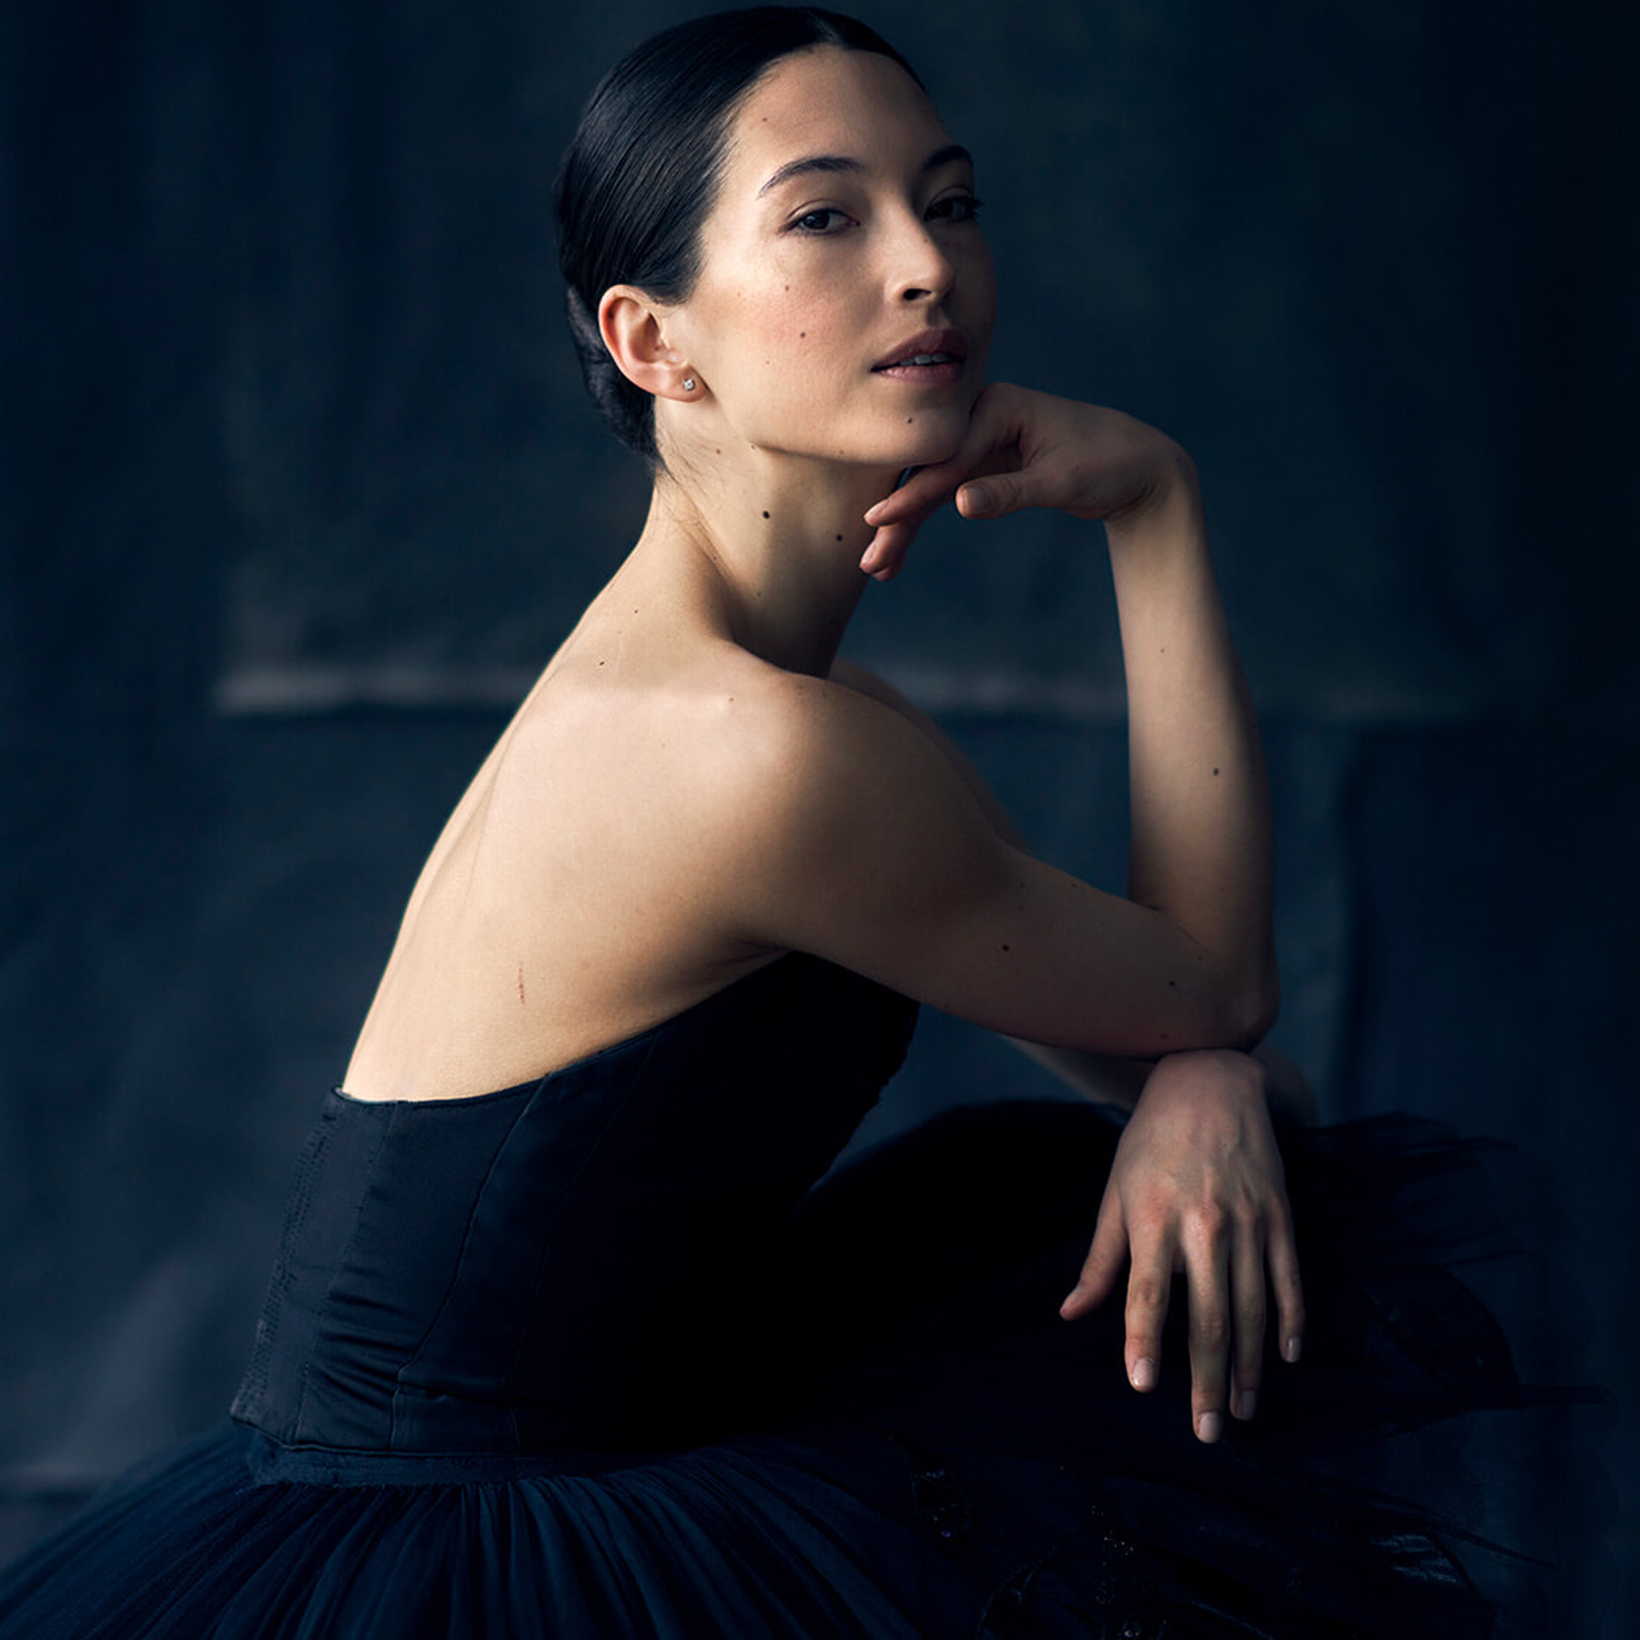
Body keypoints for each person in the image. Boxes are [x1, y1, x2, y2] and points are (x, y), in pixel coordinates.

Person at [0, 9, 1579, 1637]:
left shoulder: (806, 723)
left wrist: (1205, 1080)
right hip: (473, 1546)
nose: (926, 266)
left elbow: (1207, 1036)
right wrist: (1155, 515)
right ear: (651, 344)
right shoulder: (751, 753)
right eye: (827, 216)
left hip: (616, 1461)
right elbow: (1216, 988)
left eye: (950, 201)